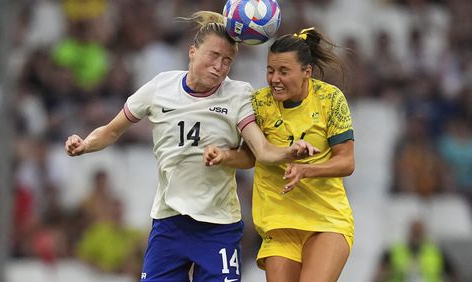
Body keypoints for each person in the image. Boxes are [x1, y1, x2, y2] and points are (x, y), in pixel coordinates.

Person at [65, 12, 318, 282]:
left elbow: (260, 152)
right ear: (193, 52)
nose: (219, 66)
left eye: (227, 61)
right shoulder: (160, 87)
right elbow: (112, 130)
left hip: (218, 226)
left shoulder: (238, 94)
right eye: (213, 55)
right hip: (169, 223)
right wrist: (85, 144)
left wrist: (288, 152)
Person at [204, 27, 355, 281]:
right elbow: (252, 155)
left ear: (306, 72)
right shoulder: (260, 103)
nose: (274, 78)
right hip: (278, 223)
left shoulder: (330, 99)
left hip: (326, 221)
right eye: (270, 70)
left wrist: (306, 170)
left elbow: (346, 161)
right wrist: (224, 156)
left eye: (284, 71)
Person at [373, 219, 458, 282]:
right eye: (414, 232)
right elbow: (379, 275)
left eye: (419, 232)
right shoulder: (393, 251)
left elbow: (454, 275)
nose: (416, 235)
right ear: (409, 232)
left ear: (424, 233)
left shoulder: (437, 252)